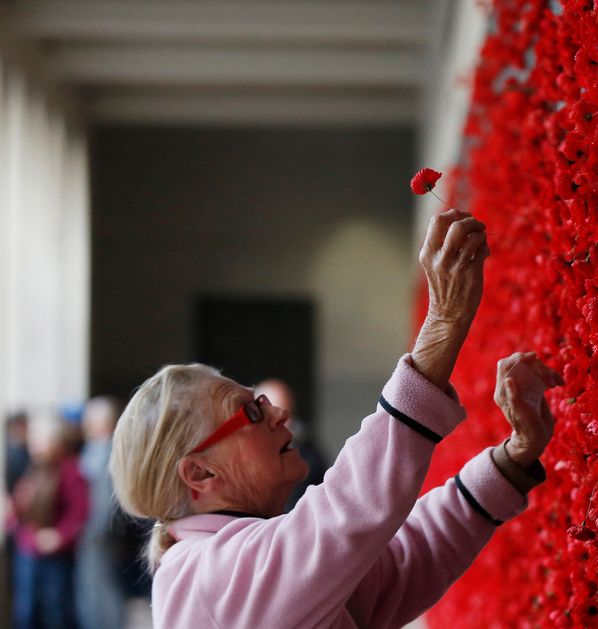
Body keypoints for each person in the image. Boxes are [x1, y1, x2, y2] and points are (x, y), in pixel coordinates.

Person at [109, 209, 564, 627]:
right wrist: (443, 322)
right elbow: (348, 511)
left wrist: (513, 458)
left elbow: (403, 561)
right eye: (250, 411)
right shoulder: (204, 578)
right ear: (200, 473)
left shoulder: (230, 561)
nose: (279, 412)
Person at [8, 412, 89, 629]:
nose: (35, 446)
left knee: (58, 612)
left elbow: (80, 512)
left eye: (40, 441)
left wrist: (59, 536)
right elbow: (21, 507)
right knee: (27, 611)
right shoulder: (34, 468)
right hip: (28, 549)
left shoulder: (70, 470)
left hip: (55, 555)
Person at [76, 396, 127, 629]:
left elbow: (104, 502)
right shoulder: (92, 450)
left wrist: (95, 532)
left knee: (103, 591)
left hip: (98, 535)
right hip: (90, 534)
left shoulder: (108, 452)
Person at [253, 378, 329, 511]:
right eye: (270, 415)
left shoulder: (309, 451)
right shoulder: (246, 454)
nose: (283, 422)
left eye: (286, 412)